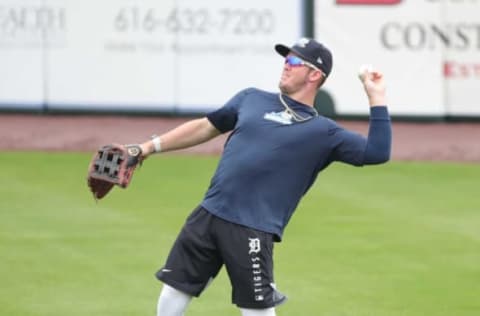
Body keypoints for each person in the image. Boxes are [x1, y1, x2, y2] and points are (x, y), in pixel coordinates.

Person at [137, 37, 392, 316]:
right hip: (208, 214)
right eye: (285, 59)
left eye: (294, 61)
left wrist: (376, 97)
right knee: (172, 294)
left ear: (314, 75)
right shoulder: (251, 98)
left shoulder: (324, 132)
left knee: (257, 309)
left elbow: (376, 152)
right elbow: (204, 127)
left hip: (252, 228)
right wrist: (148, 147)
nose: (286, 65)